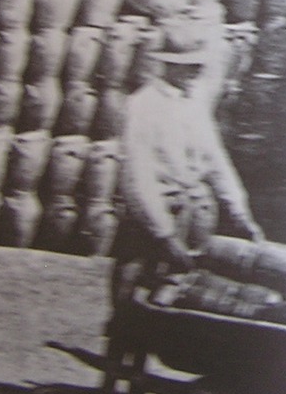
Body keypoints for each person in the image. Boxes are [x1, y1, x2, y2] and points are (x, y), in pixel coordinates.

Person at [106, 20, 265, 327]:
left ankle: (148, 347)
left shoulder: (195, 100)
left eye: (198, 66)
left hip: (192, 211)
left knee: (174, 289)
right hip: (152, 212)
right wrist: (163, 233)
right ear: (167, 66)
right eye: (189, 66)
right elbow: (137, 176)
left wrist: (240, 213)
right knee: (133, 283)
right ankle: (120, 340)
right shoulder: (142, 105)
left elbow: (215, 157)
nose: (196, 73)